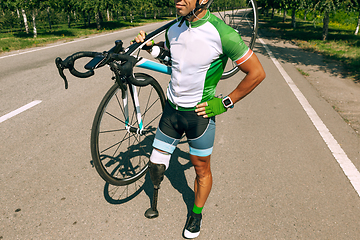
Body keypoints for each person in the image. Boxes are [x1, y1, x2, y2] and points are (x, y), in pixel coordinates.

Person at [134, 0, 266, 238]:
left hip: (199, 116)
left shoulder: (222, 33)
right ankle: (154, 202)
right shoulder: (174, 27)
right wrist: (151, 47)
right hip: (171, 111)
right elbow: (176, 61)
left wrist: (225, 102)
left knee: (201, 169)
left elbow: (257, 73)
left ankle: (196, 214)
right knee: (155, 165)